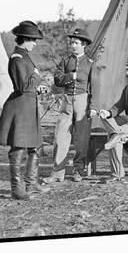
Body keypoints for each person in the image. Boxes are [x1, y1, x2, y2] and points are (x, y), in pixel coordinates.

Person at [0, 21, 51, 200]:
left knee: (35, 146)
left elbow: (29, 86)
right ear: (25, 39)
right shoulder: (17, 58)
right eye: (33, 40)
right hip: (19, 107)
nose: (35, 43)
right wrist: (36, 76)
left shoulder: (25, 55)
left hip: (28, 105)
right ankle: (17, 189)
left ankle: (31, 184)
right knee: (18, 148)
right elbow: (21, 86)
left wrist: (38, 87)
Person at [42, 28, 98, 184]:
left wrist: (93, 107)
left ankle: (78, 170)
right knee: (60, 137)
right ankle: (57, 172)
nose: (73, 45)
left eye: (76, 43)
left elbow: (94, 87)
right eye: (72, 42)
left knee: (81, 139)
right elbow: (58, 80)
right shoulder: (66, 61)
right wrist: (70, 76)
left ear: (84, 45)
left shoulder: (90, 63)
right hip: (66, 101)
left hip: (83, 101)